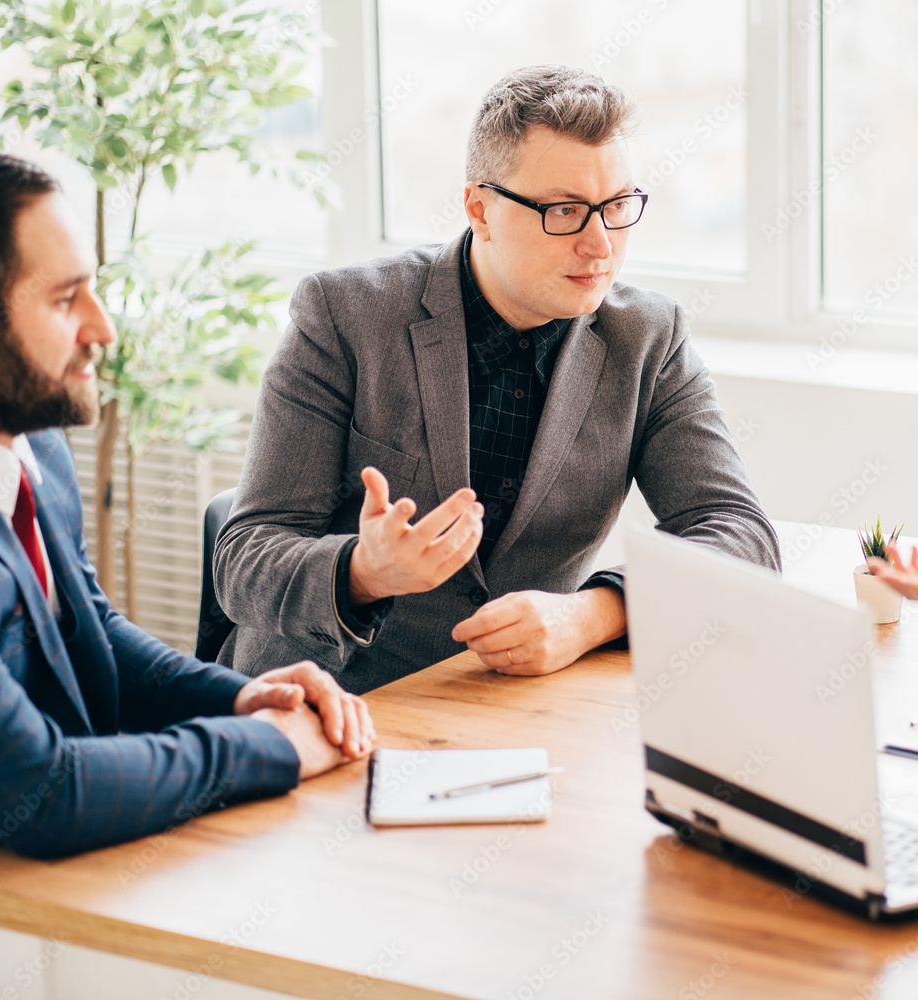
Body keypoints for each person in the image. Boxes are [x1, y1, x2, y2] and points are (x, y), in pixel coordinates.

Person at [213, 65, 781, 695]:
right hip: (334, 700)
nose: (600, 246)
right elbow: (245, 561)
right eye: (565, 210)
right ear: (480, 209)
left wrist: (594, 613)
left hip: (514, 708)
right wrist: (363, 571)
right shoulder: (346, 315)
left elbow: (742, 536)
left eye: (616, 206)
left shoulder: (648, 338)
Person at [0, 151, 375, 879]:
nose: (102, 328)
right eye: (66, 299)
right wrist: (273, 747)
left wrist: (248, 697)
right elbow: (39, 793)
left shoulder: (31, 444)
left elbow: (88, 630)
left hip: (60, 885)